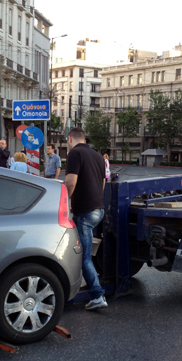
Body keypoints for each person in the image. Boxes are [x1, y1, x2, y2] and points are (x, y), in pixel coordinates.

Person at [65, 127, 107, 311]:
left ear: (70, 139)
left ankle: (97, 295)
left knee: (83, 257)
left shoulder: (75, 153)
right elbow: (103, 182)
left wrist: (66, 202)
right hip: (98, 209)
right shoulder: (98, 156)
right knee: (85, 252)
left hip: (85, 212)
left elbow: (70, 182)